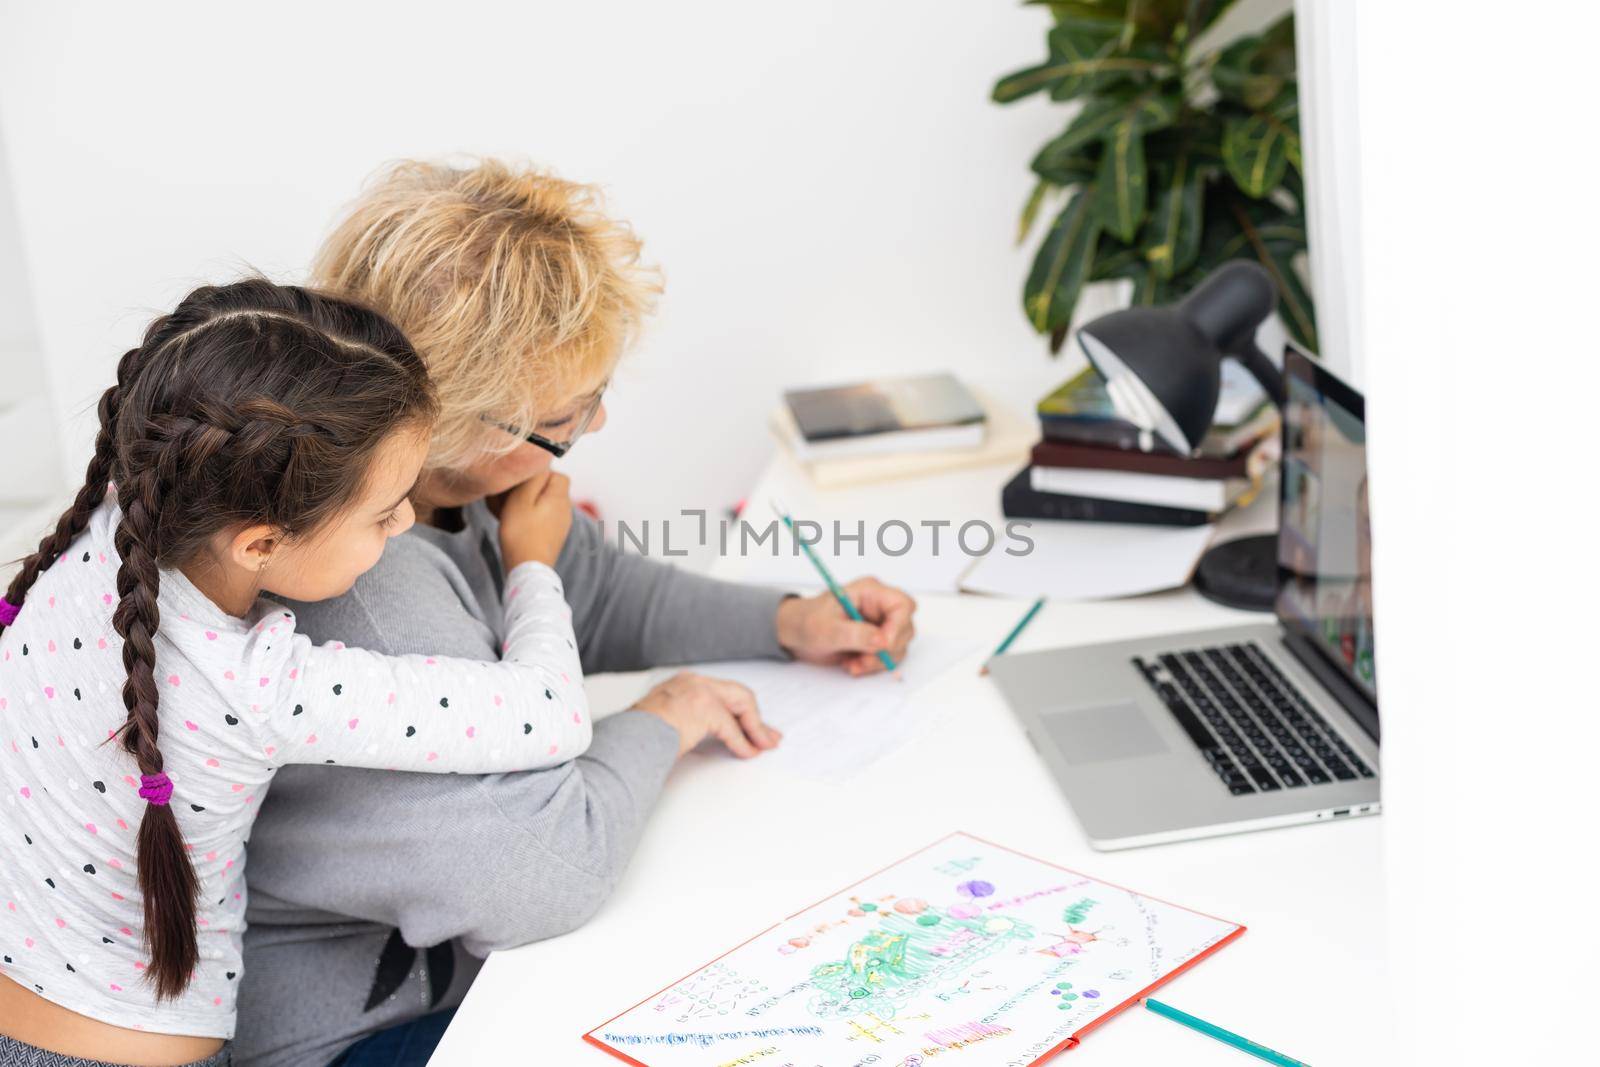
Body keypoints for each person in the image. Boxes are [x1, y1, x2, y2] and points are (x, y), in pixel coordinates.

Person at [232, 160, 917, 1066]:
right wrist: (662, 719)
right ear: (453, 423)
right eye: (565, 415)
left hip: (463, 970)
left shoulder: (451, 491)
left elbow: (601, 592)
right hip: (366, 1032)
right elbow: (543, 872)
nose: (589, 428)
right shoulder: (366, 588)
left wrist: (789, 621)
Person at [0, 279, 606, 1065]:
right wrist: (533, 561)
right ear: (259, 544)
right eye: (385, 511)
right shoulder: (260, 687)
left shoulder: (116, 513)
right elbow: (551, 709)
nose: (408, 523)